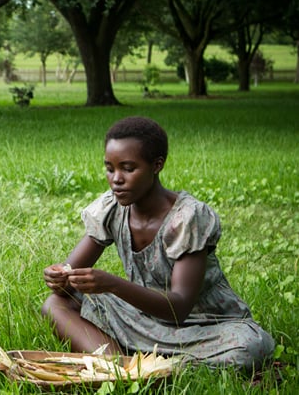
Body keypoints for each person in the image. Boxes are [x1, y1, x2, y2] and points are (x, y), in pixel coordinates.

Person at [41, 116, 274, 371]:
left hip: (204, 327)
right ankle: (122, 369)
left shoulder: (186, 218)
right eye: (110, 168)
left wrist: (113, 284)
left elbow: (180, 308)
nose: (116, 179)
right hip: (143, 318)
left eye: (128, 169)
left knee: (249, 347)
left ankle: (141, 362)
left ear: (156, 165)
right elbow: (67, 277)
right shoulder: (112, 209)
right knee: (55, 305)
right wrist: (59, 276)